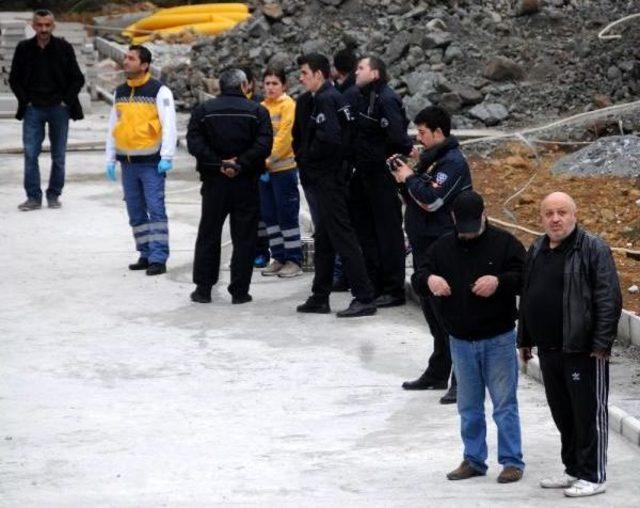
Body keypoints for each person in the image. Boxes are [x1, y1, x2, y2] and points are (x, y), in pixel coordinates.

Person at [412, 191, 526, 484]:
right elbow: (419, 275)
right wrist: (430, 280)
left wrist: (499, 282)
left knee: (504, 403)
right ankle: (473, 459)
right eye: (463, 227)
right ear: (453, 219)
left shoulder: (505, 244)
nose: (468, 233)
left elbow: (526, 277)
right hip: (460, 341)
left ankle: (512, 461)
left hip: (498, 338)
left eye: (473, 226)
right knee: (468, 405)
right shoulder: (441, 247)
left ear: (484, 215)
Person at [518, 192, 622, 498]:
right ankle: (574, 469)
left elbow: (608, 298)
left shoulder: (592, 247)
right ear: (541, 218)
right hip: (550, 349)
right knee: (563, 414)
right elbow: (529, 294)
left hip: (583, 350)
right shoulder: (537, 246)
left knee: (588, 414)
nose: (555, 218)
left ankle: (594, 475)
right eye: (549, 213)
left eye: (562, 212)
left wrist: (602, 343)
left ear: (574, 215)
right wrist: (524, 339)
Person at [392, 105, 472, 404]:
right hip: (424, 245)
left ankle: (462, 380)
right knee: (433, 314)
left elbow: (432, 200)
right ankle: (438, 371)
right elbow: (414, 197)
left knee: (450, 315)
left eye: (423, 132)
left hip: (445, 247)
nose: (418, 138)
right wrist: (404, 178)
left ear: (439, 132)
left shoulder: (452, 163)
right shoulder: (431, 160)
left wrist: (409, 178)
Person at [293, 53, 376, 318]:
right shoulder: (318, 99)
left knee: (342, 237)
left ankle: (363, 296)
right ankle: (320, 295)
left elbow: (331, 140)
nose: (301, 78)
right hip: (325, 178)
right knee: (325, 238)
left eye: (305, 73)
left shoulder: (328, 99)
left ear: (319, 74)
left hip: (329, 179)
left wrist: (309, 159)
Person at [186, 68, 273, 304]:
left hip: (214, 182)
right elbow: (264, 144)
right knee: (244, 237)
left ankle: (203, 289)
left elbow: (194, 142)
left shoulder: (203, 111)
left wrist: (218, 163)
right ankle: (240, 291)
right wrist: (240, 163)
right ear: (245, 85)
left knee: (209, 234)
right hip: (246, 182)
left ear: (219, 86)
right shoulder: (258, 112)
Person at [105, 45, 176, 276]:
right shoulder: (120, 92)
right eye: (126, 57)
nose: (125, 61)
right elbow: (112, 127)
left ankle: (158, 257)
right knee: (135, 212)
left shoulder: (159, 91)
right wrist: (110, 158)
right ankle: (145, 253)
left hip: (151, 164)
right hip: (128, 164)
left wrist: (166, 156)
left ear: (144, 65)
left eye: (131, 58)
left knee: (155, 210)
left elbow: (169, 125)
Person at [350, 56, 414, 307]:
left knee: (388, 233)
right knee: (369, 232)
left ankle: (393, 288)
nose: (357, 72)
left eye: (361, 68)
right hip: (366, 175)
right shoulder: (365, 97)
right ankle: (376, 283)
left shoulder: (385, 99)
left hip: (381, 175)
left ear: (375, 73)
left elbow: (396, 138)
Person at [9, 9, 85, 211]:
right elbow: (14, 79)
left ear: (53, 26)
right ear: (33, 26)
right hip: (33, 109)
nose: (43, 29)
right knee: (30, 154)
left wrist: (65, 101)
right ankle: (33, 197)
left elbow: (78, 78)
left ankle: (54, 195)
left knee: (58, 156)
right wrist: (26, 101)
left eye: (47, 25)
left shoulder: (63, 48)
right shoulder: (24, 48)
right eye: (40, 25)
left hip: (58, 109)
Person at [258, 68, 303, 278]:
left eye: (275, 83)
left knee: (287, 215)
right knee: (269, 215)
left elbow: (285, 137)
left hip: (283, 169)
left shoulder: (289, 106)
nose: (270, 87)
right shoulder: (262, 108)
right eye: (267, 83)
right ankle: (278, 257)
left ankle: (294, 259)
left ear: (284, 86)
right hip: (265, 172)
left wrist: (266, 161)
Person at [331, 45, 359, 292]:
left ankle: (343, 275)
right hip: (349, 168)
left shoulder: (344, 95)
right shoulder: (352, 92)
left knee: (343, 225)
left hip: (344, 170)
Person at [241, 65, 270, 269]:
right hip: (239, 166)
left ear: (250, 83)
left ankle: (261, 250)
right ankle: (246, 249)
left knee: (260, 213)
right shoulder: (229, 103)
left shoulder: (259, 104)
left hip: (256, 165)